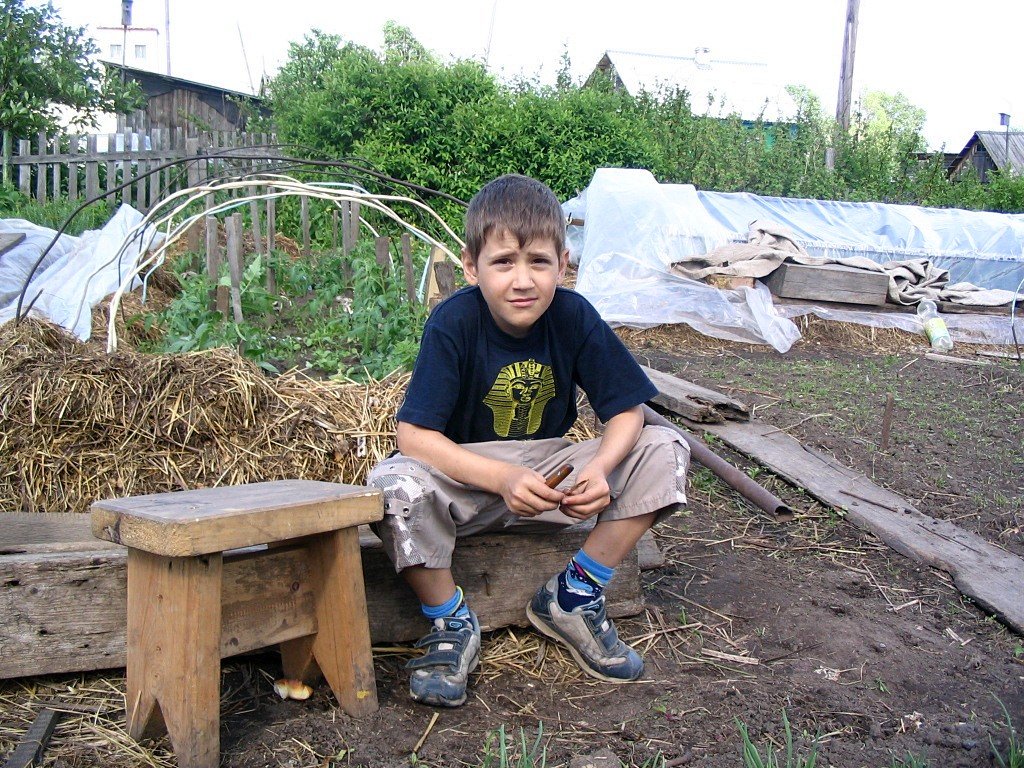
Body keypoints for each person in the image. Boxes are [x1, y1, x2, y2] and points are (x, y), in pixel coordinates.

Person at [367, 174, 689, 707]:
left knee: (664, 449)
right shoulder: (454, 322)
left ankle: (574, 595)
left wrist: (601, 468)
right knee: (393, 485)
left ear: (563, 264)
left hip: (552, 474)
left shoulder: (574, 316)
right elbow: (414, 435)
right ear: (471, 267)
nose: (523, 281)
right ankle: (450, 621)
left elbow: (628, 413)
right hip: (469, 479)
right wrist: (501, 477)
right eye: (503, 262)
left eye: (539, 262)